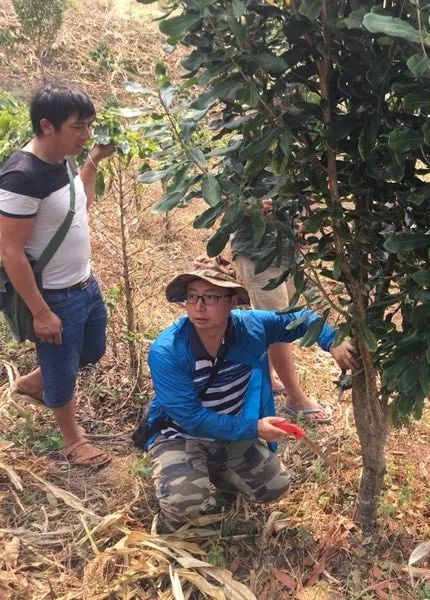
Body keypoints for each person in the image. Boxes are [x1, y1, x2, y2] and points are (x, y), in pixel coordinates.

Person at [140, 259, 357, 532]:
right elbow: (191, 419)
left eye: (211, 297)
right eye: (192, 297)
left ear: (232, 301)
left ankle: (217, 474)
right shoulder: (168, 349)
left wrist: (332, 340)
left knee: (275, 485)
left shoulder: (251, 327)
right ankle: (174, 515)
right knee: (186, 502)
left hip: (231, 433)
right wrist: (254, 427)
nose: (199, 307)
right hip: (180, 436)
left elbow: (302, 319)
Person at [0, 83, 114, 467]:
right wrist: (41, 311)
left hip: (84, 282)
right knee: (63, 367)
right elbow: (10, 251)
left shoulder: (62, 158)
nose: (86, 135)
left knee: (92, 349)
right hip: (55, 295)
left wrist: (93, 161)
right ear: (47, 126)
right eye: (78, 127)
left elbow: (78, 204)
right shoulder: (21, 176)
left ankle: (36, 382)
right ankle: (72, 440)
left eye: (88, 126)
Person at [232, 198, 332, 422]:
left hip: (290, 255)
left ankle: (266, 376)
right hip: (257, 254)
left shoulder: (294, 163)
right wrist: (252, 207)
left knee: (281, 318)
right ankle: (295, 398)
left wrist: (310, 216)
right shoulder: (240, 163)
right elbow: (223, 198)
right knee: (280, 324)